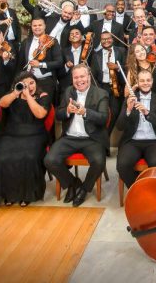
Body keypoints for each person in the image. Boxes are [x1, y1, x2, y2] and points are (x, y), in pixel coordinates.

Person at [44, 64, 109, 207]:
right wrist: (67, 111)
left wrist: (85, 112)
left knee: (98, 161)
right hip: (69, 138)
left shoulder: (101, 94)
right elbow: (58, 115)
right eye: (76, 77)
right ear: (72, 79)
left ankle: (84, 189)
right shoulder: (68, 91)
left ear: (89, 77)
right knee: (50, 160)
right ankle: (73, 184)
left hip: (92, 138)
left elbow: (103, 118)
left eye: (82, 76)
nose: (79, 80)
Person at [0, 73, 50, 207]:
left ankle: (27, 194)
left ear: (36, 83)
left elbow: (40, 114)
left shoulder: (43, 96)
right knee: (2, 157)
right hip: (11, 133)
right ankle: (9, 194)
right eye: (25, 83)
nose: (29, 86)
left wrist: (28, 96)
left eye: (32, 83)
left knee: (29, 157)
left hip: (35, 133)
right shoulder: (13, 95)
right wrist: (16, 93)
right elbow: (2, 103)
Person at [115, 69, 156, 188]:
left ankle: (150, 191)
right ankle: (138, 190)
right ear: (138, 83)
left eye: (148, 80)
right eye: (142, 81)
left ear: (152, 81)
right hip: (132, 142)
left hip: (155, 142)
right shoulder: (129, 99)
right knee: (122, 165)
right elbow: (119, 126)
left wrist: (147, 113)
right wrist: (128, 110)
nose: (145, 83)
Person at [16, 17, 63, 104]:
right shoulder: (25, 42)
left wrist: (41, 65)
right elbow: (20, 64)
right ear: (31, 27)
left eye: (40, 25)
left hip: (45, 82)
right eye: (34, 25)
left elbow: (59, 62)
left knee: (45, 109)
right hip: (28, 83)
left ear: (45, 26)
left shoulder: (52, 41)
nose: (37, 27)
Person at [90, 31, 127, 131]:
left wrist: (117, 67)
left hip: (117, 88)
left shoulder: (122, 51)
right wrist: (98, 90)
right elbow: (93, 75)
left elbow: (128, 68)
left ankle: (106, 135)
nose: (106, 41)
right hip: (102, 87)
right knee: (102, 113)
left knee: (114, 114)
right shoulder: (96, 55)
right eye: (103, 39)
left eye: (108, 38)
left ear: (112, 39)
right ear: (100, 41)